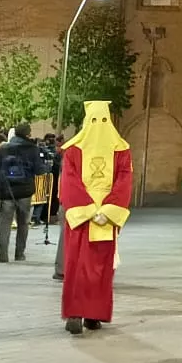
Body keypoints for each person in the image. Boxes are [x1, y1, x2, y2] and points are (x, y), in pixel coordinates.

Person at [56, 100, 133, 333]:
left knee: (79, 265)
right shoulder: (121, 149)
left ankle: (82, 314)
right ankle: (87, 314)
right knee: (98, 267)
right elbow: (124, 182)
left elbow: (69, 182)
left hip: (83, 216)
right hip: (99, 218)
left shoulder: (73, 149)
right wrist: (106, 210)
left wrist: (89, 209)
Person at [0, 124, 40, 263]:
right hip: (25, 191)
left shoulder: (3, 148)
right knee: (23, 223)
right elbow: (40, 170)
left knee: (4, 223)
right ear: (27, 134)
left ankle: (3, 255)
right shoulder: (32, 149)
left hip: (7, 191)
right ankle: (19, 253)